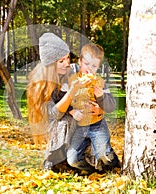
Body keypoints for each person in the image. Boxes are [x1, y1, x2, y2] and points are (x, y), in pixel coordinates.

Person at [26, 33, 91, 171]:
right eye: (61, 61)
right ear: (50, 65)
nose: (67, 63)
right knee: (63, 122)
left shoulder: (72, 71)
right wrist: (71, 92)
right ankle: (57, 158)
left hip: (81, 126)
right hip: (58, 126)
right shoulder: (41, 84)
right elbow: (54, 115)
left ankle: (80, 155)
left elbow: (91, 73)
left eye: (67, 58)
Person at [67, 43, 120, 173]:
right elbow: (62, 100)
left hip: (97, 125)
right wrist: (72, 111)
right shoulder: (72, 80)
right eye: (86, 64)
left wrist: (101, 96)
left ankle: (115, 165)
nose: (89, 69)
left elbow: (111, 106)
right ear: (80, 61)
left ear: (98, 67)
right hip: (79, 127)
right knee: (72, 160)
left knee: (105, 156)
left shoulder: (100, 83)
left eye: (94, 66)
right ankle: (90, 170)